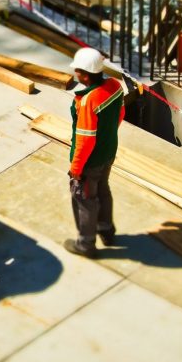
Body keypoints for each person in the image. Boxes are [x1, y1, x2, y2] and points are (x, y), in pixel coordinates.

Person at [64, 47, 125, 259]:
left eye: (77, 71)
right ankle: (107, 231)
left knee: (84, 198)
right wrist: (107, 138)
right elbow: (120, 113)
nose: (75, 74)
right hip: (108, 153)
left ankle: (85, 244)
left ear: (86, 74)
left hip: (90, 161)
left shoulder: (89, 99)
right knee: (103, 190)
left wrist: (76, 168)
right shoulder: (115, 86)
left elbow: (85, 139)